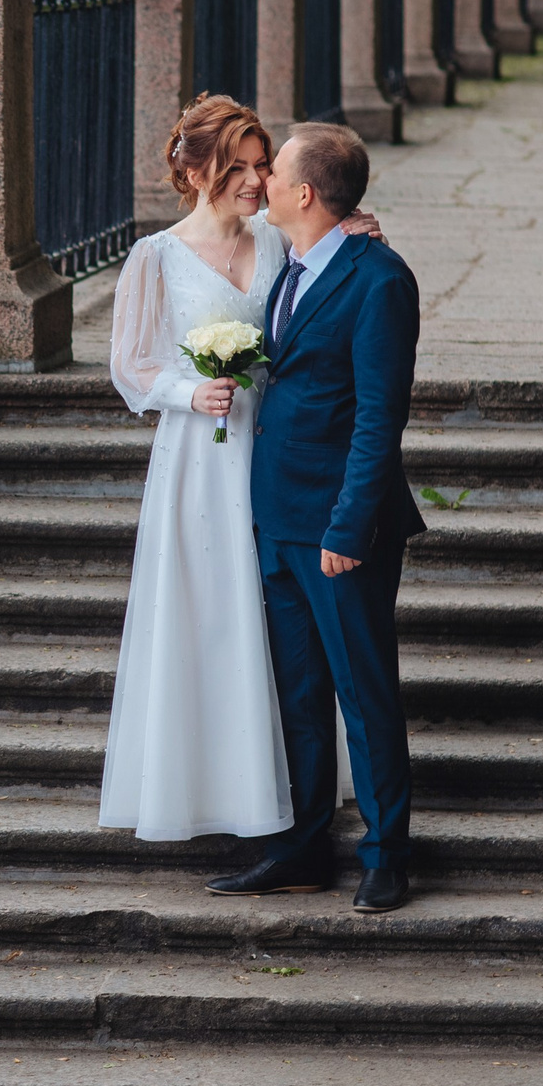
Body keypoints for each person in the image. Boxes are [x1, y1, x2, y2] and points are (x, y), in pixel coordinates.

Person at [97, 97, 386, 854]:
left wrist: (354, 230)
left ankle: (287, 798)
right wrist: (186, 392)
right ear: (196, 173)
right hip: (201, 457)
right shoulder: (155, 257)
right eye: (240, 168)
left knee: (280, 635)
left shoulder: (279, 240)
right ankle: (212, 791)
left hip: (279, 453)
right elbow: (130, 367)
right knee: (211, 618)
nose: (257, 181)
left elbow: (325, 275)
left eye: (263, 166)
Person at [206, 123, 425, 913]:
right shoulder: (290, 263)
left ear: (303, 192)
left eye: (275, 172)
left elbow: (379, 418)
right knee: (298, 695)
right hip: (276, 516)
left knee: (364, 694)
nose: (261, 181)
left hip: (340, 527)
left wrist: (349, 526)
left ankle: (387, 855)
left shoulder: (380, 280)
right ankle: (302, 848)